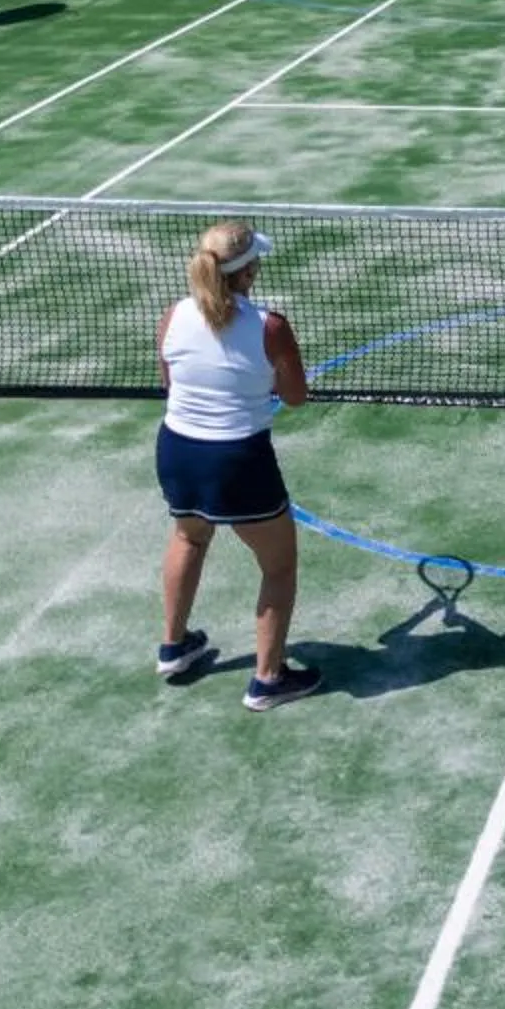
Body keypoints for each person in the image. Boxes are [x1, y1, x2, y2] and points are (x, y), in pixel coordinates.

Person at [155, 218, 322, 711]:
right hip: (237, 461)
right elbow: (295, 396)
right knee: (279, 565)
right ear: (246, 274)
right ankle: (268, 679)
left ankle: (174, 647)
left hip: (177, 449)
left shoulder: (173, 315)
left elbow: (170, 383)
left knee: (189, 536)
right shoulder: (270, 327)